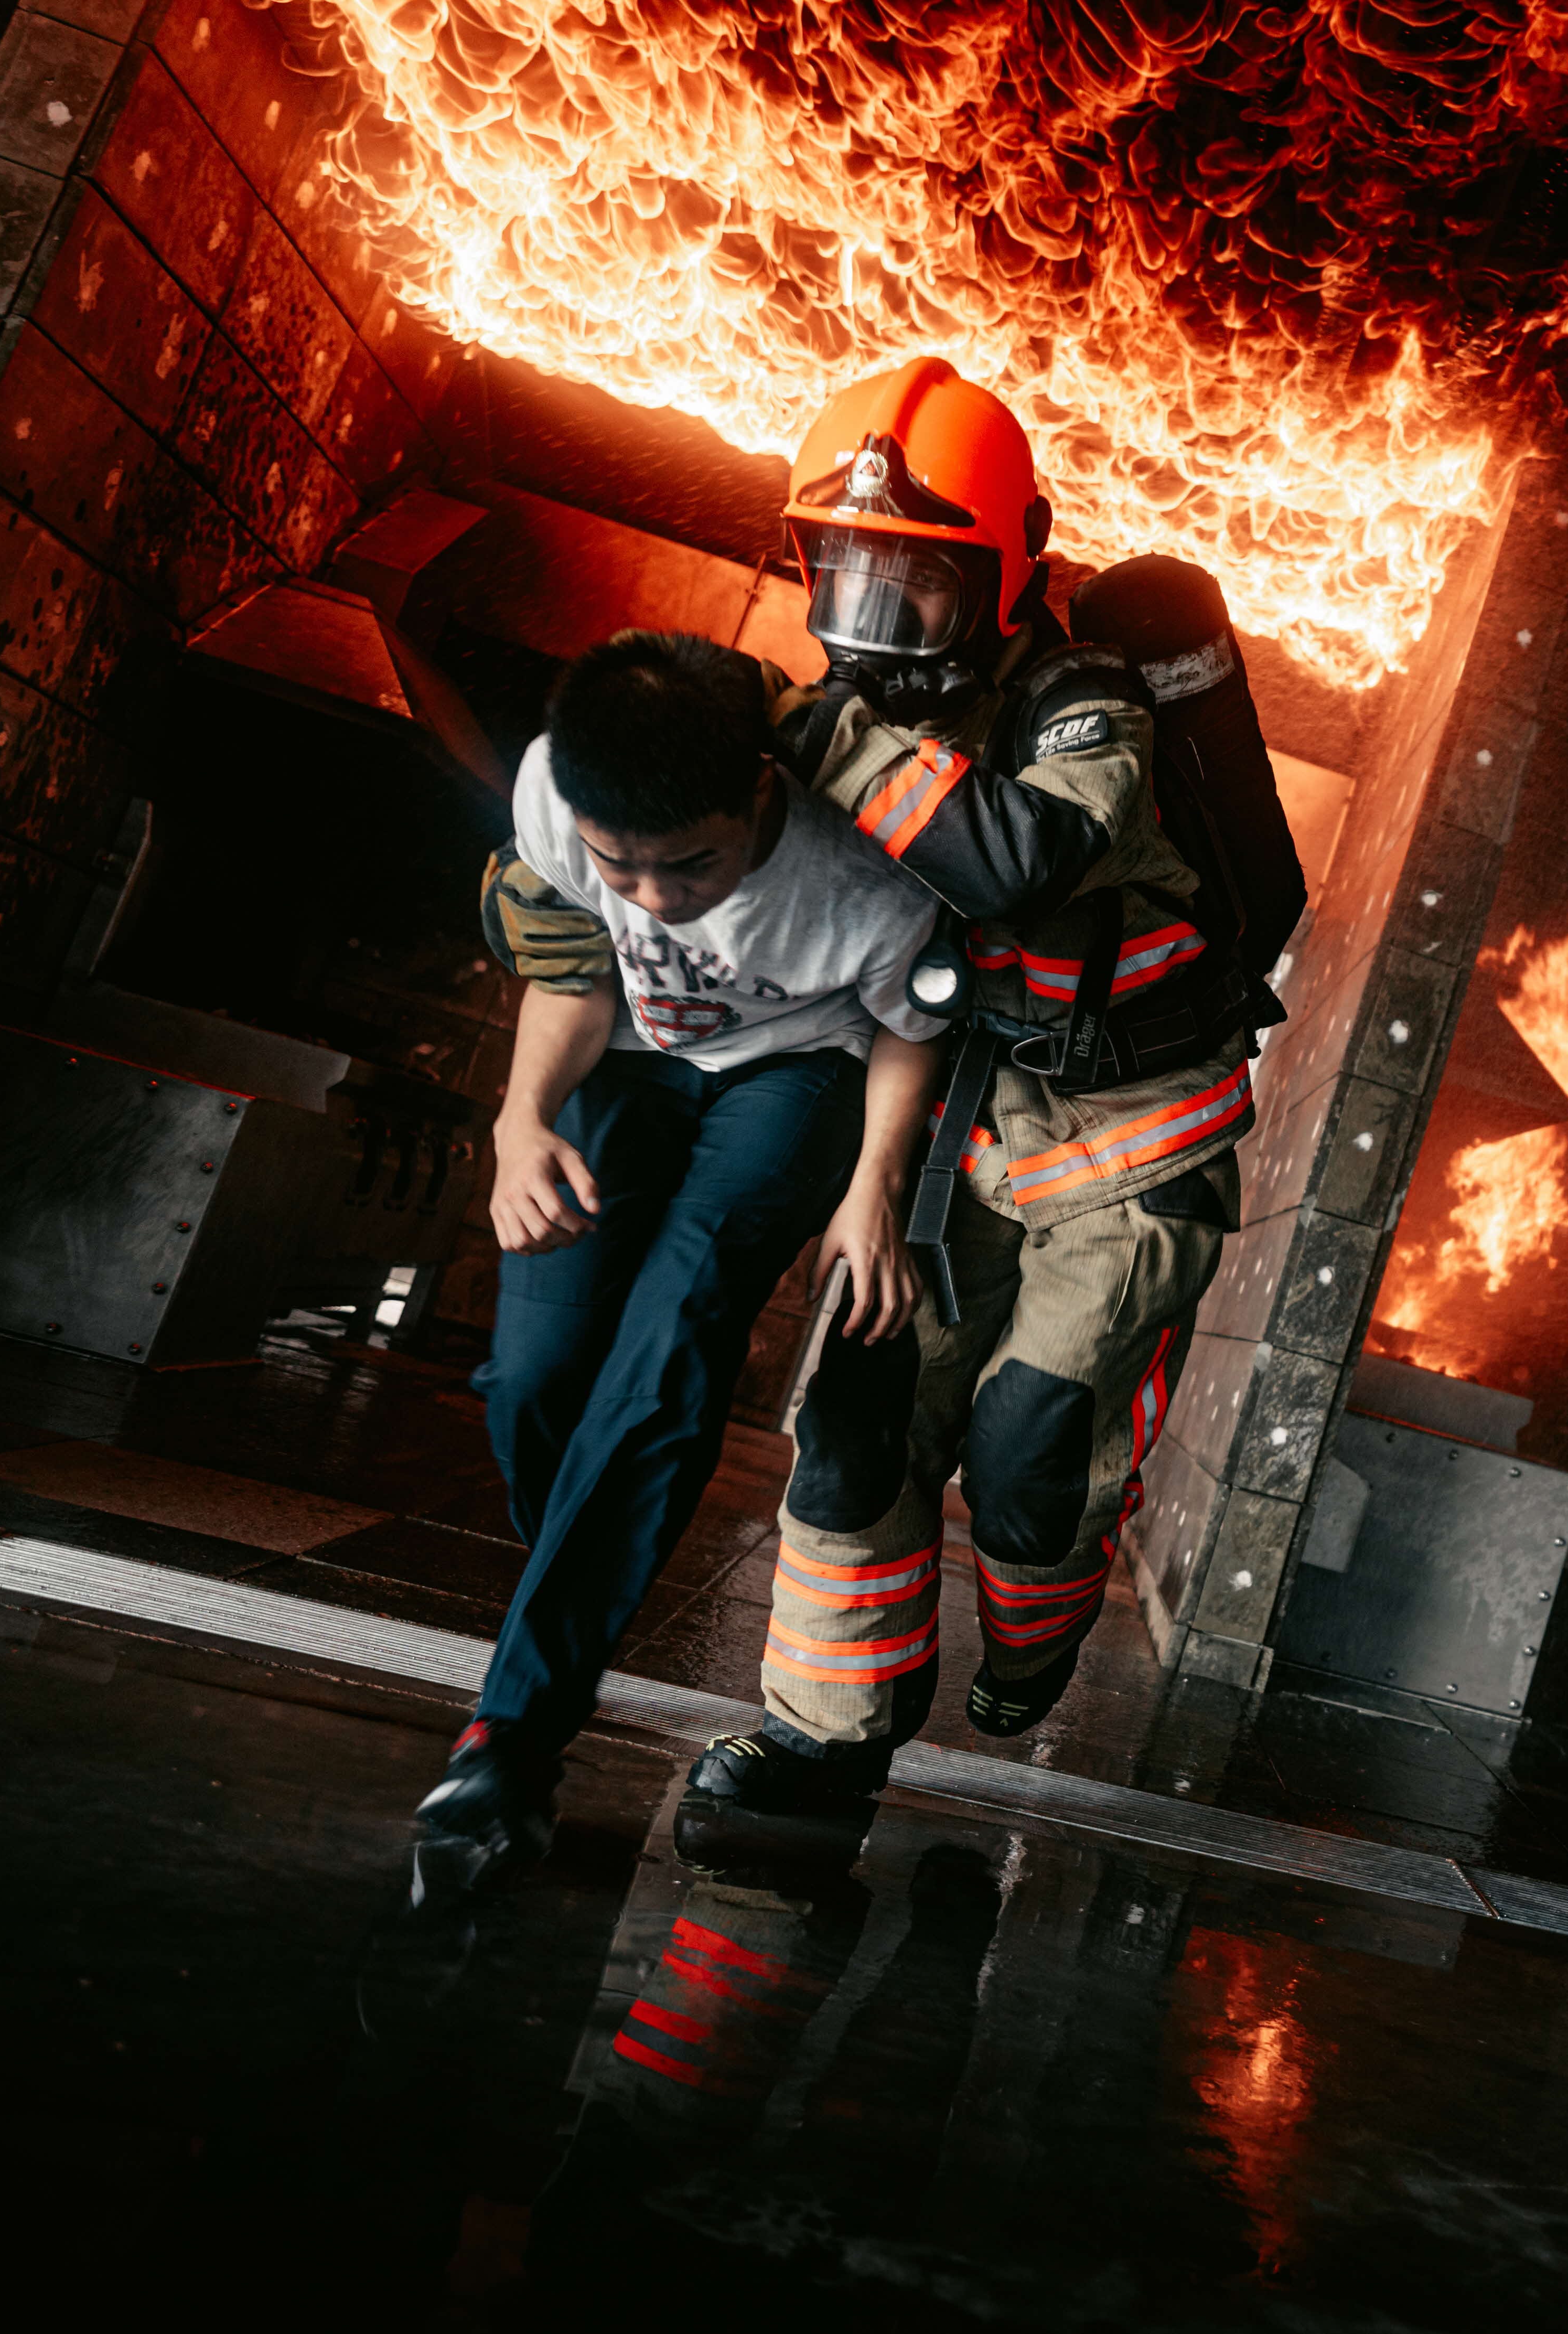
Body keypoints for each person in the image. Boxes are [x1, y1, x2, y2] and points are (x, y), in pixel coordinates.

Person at [474, 357, 1274, 1825]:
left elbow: (1024, 857)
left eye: (916, 583)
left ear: (1010, 565)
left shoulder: (1083, 698)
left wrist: (824, 735)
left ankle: (1042, 1619)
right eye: (843, 574)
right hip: (956, 1132)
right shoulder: (825, 720)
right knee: (855, 1416)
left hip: (1129, 1137)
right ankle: (818, 1750)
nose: (874, 621)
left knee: (1031, 1440)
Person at [412, 631, 947, 1902]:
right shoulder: (557, 787)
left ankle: (510, 1737)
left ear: (760, 791)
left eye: (689, 863)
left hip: (799, 1074)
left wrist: (872, 1190)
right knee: (534, 1377)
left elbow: (903, 1031)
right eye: (622, 864)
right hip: (632, 1059)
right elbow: (576, 968)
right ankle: (578, 1599)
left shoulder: (866, 876)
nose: (651, 895)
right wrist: (519, 1119)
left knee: (668, 1350)